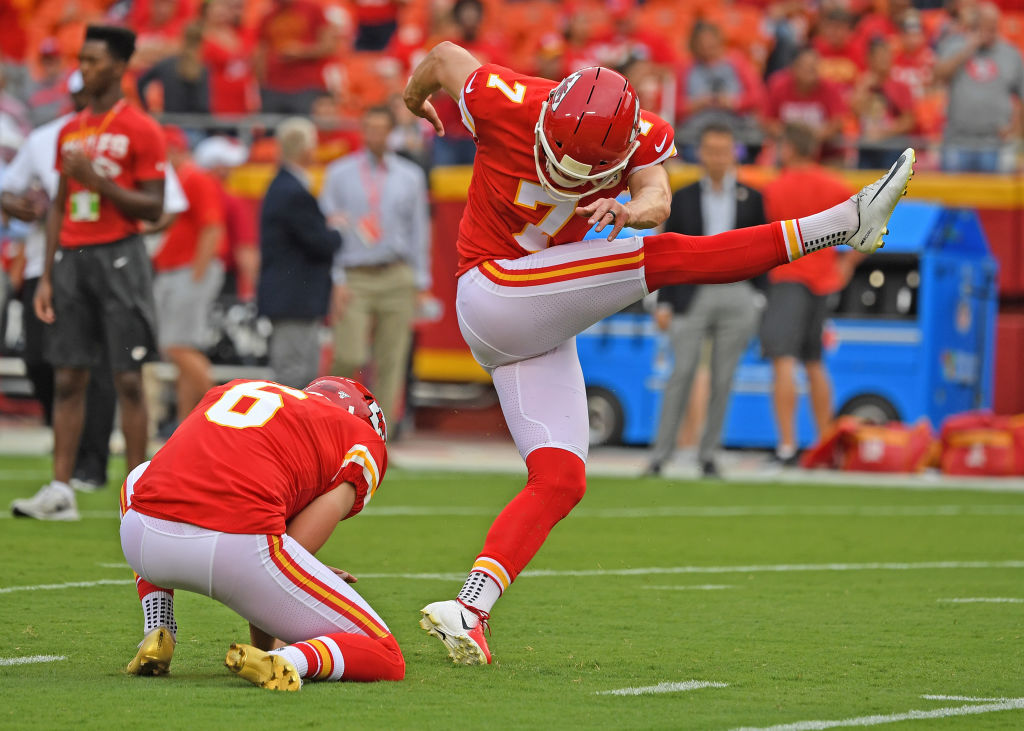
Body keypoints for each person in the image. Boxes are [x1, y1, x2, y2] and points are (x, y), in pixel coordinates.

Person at [402, 41, 915, 665]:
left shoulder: (643, 138)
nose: (565, 173)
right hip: (492, 288)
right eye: (558, 156)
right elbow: (442, 55)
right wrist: (414, 97)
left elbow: (658, 197)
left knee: (562, 480)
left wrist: (630, 206)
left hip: (538, 313)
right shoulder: (503, 97)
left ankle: (469, 608)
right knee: (666, 257)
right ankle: (839, 225)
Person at [120, 376, 404, 689]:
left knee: (139, 475)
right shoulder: (363, 439)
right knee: (387, 654)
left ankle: (158, 627)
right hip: (238, 550)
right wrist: (303, 569)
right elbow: (288, 548)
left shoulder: (236, 388)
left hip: (143, 536)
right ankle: (289, 659)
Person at [2, 70, 186, 493]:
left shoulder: (137, 128)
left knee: (116, 371)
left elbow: (165, 205)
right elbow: (16, 193)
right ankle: (66, 468)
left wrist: (128, 241)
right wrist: (18, 207)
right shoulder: (53, 135)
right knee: (49, 364)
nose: (80, 94)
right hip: (54, 262)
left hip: (115, 260)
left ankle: (101, 467)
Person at [644, 123, 766, 479]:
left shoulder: (752, 197)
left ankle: (709, 454)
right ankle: (660, 455)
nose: (717, 158)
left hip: (737, 291)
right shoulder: (681, 197)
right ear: (701, 154)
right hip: (691, 289)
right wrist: (663, 302)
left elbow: (763, 249)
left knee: (724, 377)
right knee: (680, 373)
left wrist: (758, 297)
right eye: (711, 150)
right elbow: (669, 253)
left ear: (733, 154)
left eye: (723, 150)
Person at [760, 123, 865, 467]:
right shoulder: (836, 185)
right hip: (823, 282)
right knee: (815, 363)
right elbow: (870, 223)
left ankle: (787, 446)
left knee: (783, 363)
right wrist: (847, 264)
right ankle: (825, 443)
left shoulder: (775, 188)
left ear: (789, 148)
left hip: (788, 278)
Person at [320, 105, 432, 426]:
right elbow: (328, 231)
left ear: (392, 132)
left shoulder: (410, 176)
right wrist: (336, 278)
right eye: (369, 128)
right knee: (348, 354)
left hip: (396, 273)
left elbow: (418, 231)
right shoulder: (339, 173)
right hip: (355, 274)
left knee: (391, 360)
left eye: (382, 128)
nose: (375, 135)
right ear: (361, 131)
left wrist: (420, 281)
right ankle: (331, 424)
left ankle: (381, 440)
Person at [258, 117, 340, 389]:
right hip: (294, 297)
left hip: (291, 296)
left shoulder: (283, 186)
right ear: (307, 150)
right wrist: (337, 231)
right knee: (293, 374)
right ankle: (285, 432)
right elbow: (320, 242)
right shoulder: (293, 191)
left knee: (298, 371)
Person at [152, 125, 225, 425]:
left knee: (177, 345)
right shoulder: (180, 179)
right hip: (176, 269)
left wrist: (199, 271)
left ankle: (219, 410)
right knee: (180, 346)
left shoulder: (194, 178)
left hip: (189, 269)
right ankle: (186, 422)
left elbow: (212, 226)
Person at [934, 2, 1023, 173]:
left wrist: (1017, 130)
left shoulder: (1011, 54)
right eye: (985, 26)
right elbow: (938, 75)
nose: (989, 32)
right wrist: (969, 47)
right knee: (955, 197)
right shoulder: (955, 45)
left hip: (997, 145)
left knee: (995, 199)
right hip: (957, 142)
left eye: (993, 27)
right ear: (975, 24)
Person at [255, 0, 340, 115]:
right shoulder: (268, 15)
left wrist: (301, 52)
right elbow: (261, 51)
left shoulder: (313, 9)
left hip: (305, 87)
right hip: (272, 88)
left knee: (303, 128)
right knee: (272, 131)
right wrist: (261, 83)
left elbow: (329, 46)